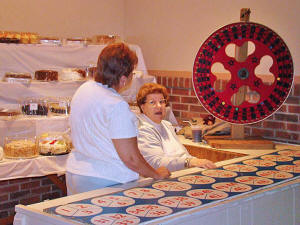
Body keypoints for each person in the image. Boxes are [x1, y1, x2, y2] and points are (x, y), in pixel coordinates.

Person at [66, 43, 170, 195]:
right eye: (132, 74)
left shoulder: (85, 89)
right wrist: (156, 175)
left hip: (76, 173)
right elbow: (131, 158)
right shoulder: (116, 105)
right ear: (123, 79)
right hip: (106, 181)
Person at [136, 83, 216, 172]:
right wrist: (189, 162)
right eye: (152, 102)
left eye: (162, 102)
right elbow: (156, 163)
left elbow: (183, 154)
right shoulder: (142, 129)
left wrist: (197, 161)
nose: (159, 106)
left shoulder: (166, 125)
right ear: (142, 107)